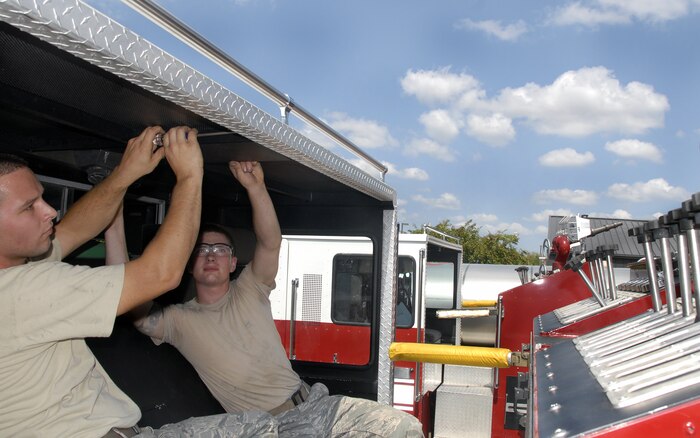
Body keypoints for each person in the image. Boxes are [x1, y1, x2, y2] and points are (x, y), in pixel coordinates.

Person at [0, 126, 279, 438]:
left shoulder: (20, 268)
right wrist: (189, 176)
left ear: (233, 261)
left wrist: (124, 174)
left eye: (43, 197)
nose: (51, 211)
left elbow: (73, 230)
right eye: (29, 207)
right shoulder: (23, 292)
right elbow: (159, 274)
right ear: (190, 263)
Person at [115, 161, 424, 437]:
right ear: (188, 263)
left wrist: (256, 187)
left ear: (233, 263)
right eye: (202, 250)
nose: (211, 256)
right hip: (264, 427)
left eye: (220, 250)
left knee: (405, 428)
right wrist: (113, 220)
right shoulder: (176, 320)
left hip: (313, 405)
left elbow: (270, 241)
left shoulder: (250, 287)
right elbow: (122, 293)